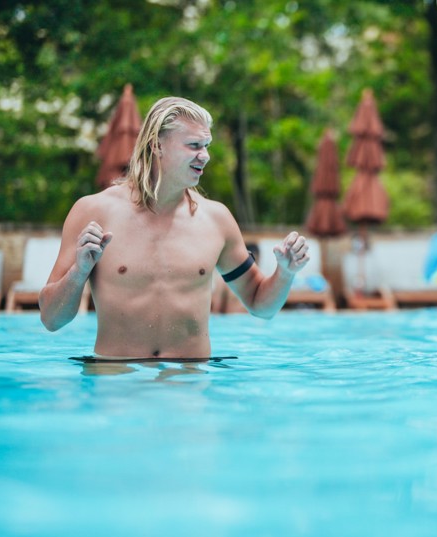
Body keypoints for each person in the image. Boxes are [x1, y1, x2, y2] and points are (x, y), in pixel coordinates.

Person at [39, 97, 310, 359]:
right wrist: (79, 272)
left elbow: (260, 305)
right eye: (193, 145)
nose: (204, 156)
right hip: (118, 380)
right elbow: (51, 320)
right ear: (157, 146)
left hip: (189, 382)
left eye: (206, 145)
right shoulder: (93, 212)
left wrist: (285, 273)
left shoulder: (216, 220)